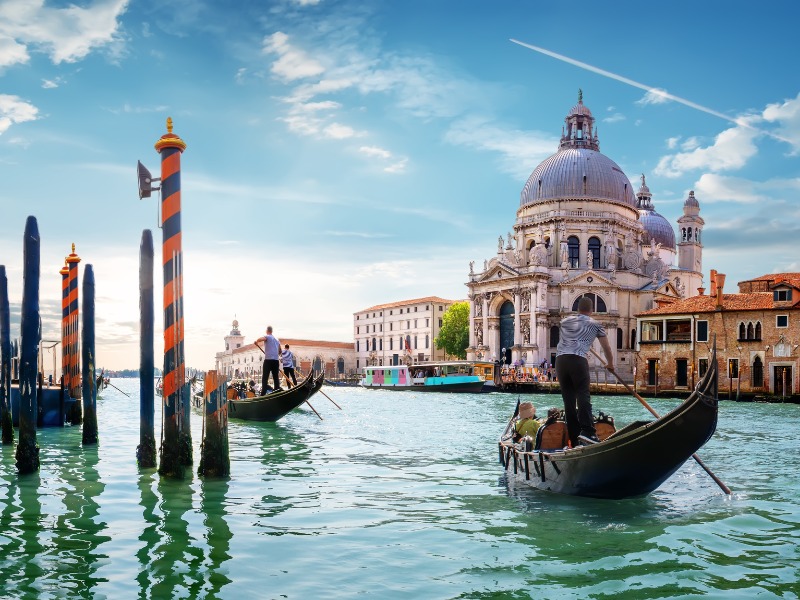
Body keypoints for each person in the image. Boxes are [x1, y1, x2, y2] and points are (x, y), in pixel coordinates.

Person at [555, 296, 615, 446]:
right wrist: (610, 364)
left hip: (560, 361)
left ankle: (575, 438)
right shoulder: (595, 324)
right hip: (577, 359)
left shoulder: (565, 322)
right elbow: (606, 347)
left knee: (568, 400)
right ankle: (588, 432)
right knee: (583, 394)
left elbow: (567, 340)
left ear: (577, 309)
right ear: (592, 310)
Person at [260, 326, 282, 393]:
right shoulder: (277, 339)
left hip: (268, 360)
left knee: (265, 377)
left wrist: (256, 341)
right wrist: (275, 354)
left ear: (267, 330)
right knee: (276, 377)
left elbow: (262, 338)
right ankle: (277, 390)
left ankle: (263, 393)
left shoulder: (268, 336)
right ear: (271, 331)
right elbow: (280, 351)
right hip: (276, 361)